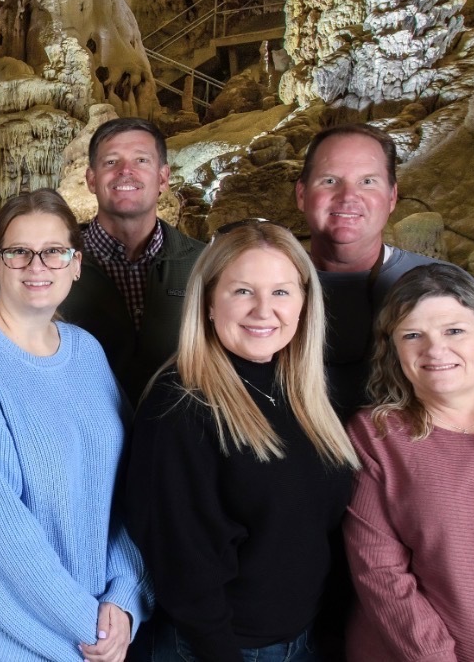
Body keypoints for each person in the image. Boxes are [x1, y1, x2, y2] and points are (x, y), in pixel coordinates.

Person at [0, 189, 152, 662]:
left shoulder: (86, 352)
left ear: (75, 264)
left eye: (53, 252)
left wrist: (124, 598)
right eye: (18, 252)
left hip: (93, 632)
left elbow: (133, 486)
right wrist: (90, 626)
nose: (36, 265)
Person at [126, 220, 358, 662]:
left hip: (302, 639)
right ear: (209, 302)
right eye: (242, 291)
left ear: (305, 304)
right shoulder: (179, 405)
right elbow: (182, 563)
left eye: (281, 292)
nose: (263, 310)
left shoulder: (305, 390)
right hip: (218, 648)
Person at [343, 263, 474, 661]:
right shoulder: (377, 436)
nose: (435, 350)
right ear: (393, 349)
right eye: (413, 335)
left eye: (454, 330)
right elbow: (380, 574)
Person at [296, 123, 441, 414]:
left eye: (368, 182)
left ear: (391, 198)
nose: (348, 196)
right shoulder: (263, 284)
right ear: (301, 195)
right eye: (329, 181)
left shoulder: (442, 288)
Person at [58, 117, 205, 402]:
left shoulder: (204, 265)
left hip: (177, 435)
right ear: (91, 179)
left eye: (141, 160)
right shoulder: (53, 266)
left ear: (163, 178)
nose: (126, 171)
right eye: (111, 162)